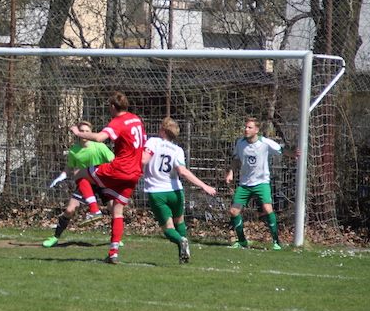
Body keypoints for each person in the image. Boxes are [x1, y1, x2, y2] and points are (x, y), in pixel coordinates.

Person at [69, 91, 145, 264]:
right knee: (117, 211)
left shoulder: (118, 122)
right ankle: (113, 253)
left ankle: (94, 209)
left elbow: (99, 138)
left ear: (112, 107)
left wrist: (78, 133)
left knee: (80, 174)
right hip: (134, 173)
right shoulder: (136, 119)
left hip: (119, 168)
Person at [142, 117, 218, 263]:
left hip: (156, 192)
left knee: (168, 228)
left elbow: (143, 160)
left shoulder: (153, 142)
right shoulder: (177, 150)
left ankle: (181, 240)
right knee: (180, 222)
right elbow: (182, 172)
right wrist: (204, 185)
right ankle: (183, 255)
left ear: (163, 130)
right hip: (176, 191)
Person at [225, 116, 299, 250]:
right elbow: (236, 159)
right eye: (245, 127)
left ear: (257, 130)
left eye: (249, 127)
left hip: (261, 183)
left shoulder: (265, 143)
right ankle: (242, 241)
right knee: (234, 211)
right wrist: (231, 172)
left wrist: (293, 154)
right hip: (245, 184)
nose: (246, 129)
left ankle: (276, 242)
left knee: (267, 209)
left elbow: (281, 151)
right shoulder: (240, 143)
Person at [42, 121, 115, 248]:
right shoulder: (74, 150)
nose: (85, 134)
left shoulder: (100, 147)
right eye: (82, 131)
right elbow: (69, 167)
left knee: (114, 208)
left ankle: (115, 239)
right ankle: (55, 237)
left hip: (101, 181)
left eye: (87, 131)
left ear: (91, 132)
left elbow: (113, 162)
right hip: (85, 183)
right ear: (78, 134)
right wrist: (62, 175)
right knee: (69, 210)